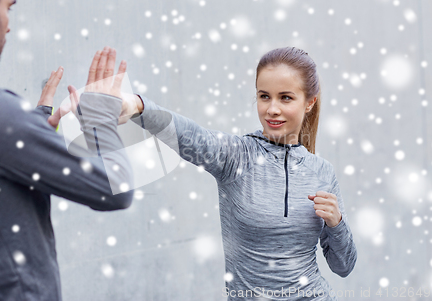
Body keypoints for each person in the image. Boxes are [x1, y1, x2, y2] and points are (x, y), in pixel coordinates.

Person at [0, 0, 134, 301]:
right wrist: (100, 118)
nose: (9, 25)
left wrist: (31, 129)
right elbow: (116, 188)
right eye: (8, 8)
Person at [124, 47, 357, 300]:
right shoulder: (236, 156)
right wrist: (138, 106)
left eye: (286, 98)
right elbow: (192, 136)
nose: (272, 109)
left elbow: (343, 266)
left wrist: (337, 223)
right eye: (264, 96)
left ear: (309, 102)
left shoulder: (322, 172)